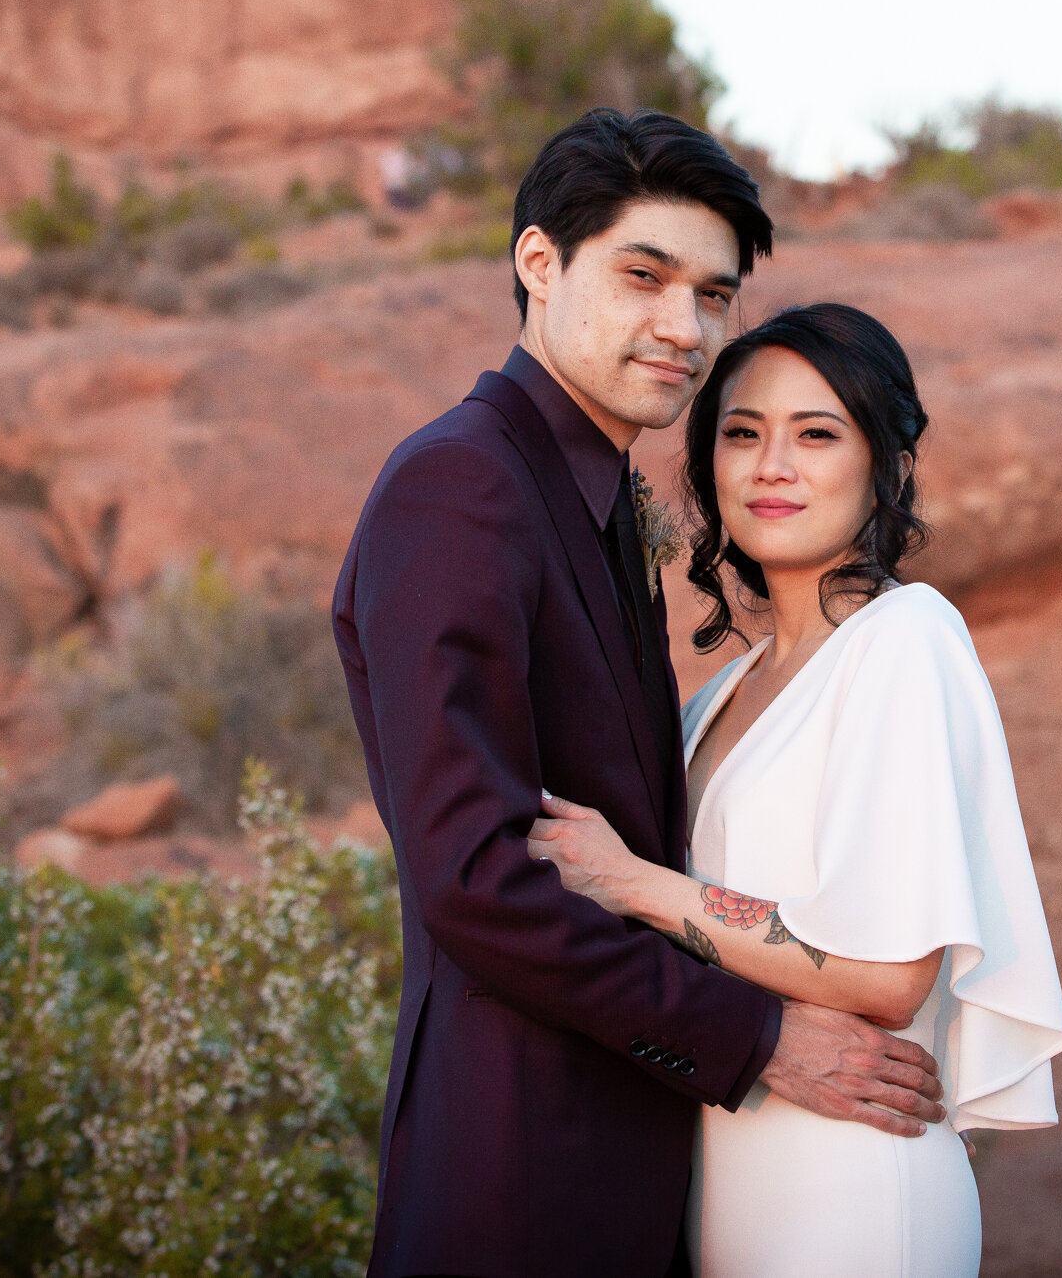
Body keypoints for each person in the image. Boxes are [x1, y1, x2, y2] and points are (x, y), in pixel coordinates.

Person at [333, 112, 948, 1278]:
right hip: (523, 1169)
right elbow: (478, 879)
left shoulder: (595, 499)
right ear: (538, 264)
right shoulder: (461, 486)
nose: (685, 327)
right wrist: (759, 1036)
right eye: (643, 274)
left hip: (642, 1164)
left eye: (713, 294)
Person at [528, 302, 1062, 1278]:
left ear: (885, 465)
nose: (771, 464)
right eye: (742, 433)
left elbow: (888, 971)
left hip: (853, 1183)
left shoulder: (904, 639)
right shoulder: (719, 693)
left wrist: (634, 882)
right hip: (727, 1174)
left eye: (816, 433)